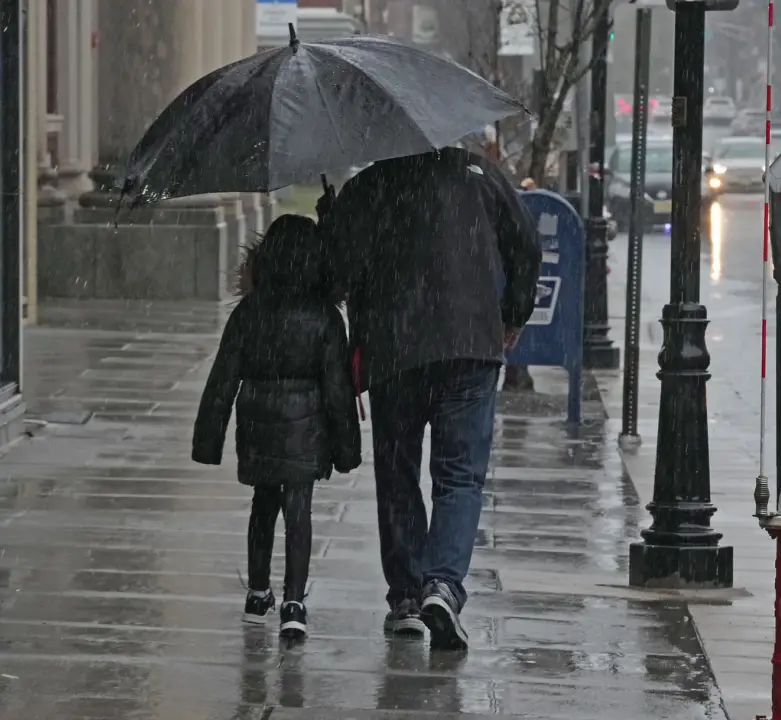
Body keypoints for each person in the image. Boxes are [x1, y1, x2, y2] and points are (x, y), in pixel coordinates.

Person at [319, 147, 541, 650]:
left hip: (395, 348)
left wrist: (333, 223)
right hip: (469, 341)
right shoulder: (477, 172)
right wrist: (514, 312)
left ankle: (405, 597)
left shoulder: (369, 185)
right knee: (460, 475)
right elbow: (525, 240)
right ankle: (442, 584)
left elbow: (334, 276)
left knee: (397, 472)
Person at [192, 214, 362, 639]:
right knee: (298, 510)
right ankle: (294, 601)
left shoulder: (249, 312)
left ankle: (256, 592)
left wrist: (209, 439)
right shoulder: (324, 317)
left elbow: (222, 379)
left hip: (258, 424)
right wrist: (346, 448)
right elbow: (338, 389)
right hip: (307, 429)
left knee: (263, 505)